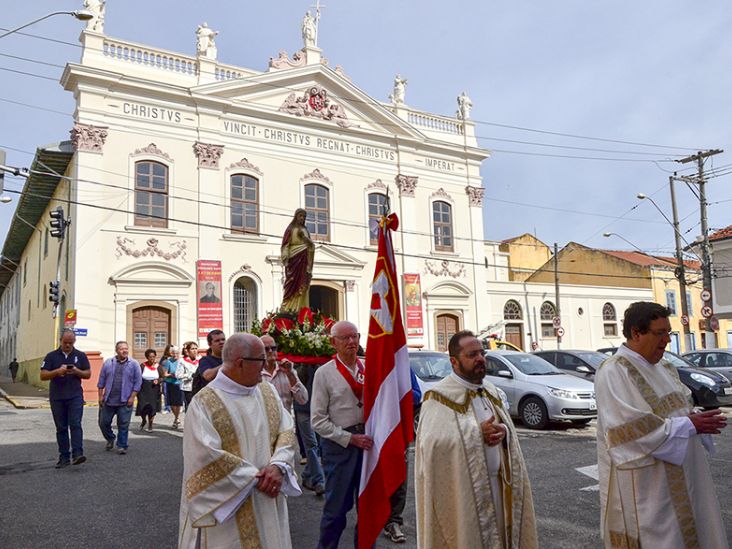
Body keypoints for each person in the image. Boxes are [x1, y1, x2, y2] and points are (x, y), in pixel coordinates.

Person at [595, 302, 729, 549]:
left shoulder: (666, 367)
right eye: (660, 333)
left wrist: (697, 418)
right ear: (636, 332)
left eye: (668, 332)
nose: (667, 340)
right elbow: (626, 431)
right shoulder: (614, 371)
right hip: (650, 489)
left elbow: (680, 407)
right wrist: (688, 425)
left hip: (687, 475)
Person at [415, 330, 537, 549]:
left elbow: (506, 427)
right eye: (472, 355)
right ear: (454, 361)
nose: (480, 359)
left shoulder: (490, 390)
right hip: (465, 494)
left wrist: (504, 431)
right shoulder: (437, 397)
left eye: (482, 353)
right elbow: (431, 446)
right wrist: (474, 432)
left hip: (500, 488)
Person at [178, 333, 301, 548]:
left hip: (268, 498)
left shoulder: (267, 391)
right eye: (261, 360)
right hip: (229, 506)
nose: (265, 367)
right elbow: (204, 456)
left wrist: (278, 465)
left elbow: (287, 430)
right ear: (240, 363)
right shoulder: (205, 403)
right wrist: (256, 478)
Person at [311, 321, 373, 549]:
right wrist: (349, 439)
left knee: (368, 508)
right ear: (333, 342)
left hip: (367, 442)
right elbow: (317, 420)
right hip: (339, 446)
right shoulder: (324, 374)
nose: (351, 342)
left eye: (355, 337)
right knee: (336, 509)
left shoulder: (368, 367)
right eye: (345, 338)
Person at [40, 329, 91, 468]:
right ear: (60, 341)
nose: (68, 345)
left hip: (75, 396)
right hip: (57, 397)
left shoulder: (80, 356)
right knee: (61, 427)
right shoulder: (51, 356)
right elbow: (43, 375)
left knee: (75, 424)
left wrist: (76, 371)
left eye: (71, 342)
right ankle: (64, 457)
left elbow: (88, 374)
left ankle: (77, 454)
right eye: (65, 342)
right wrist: (57, 371)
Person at [383, 368, 422, 544]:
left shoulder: (404, 368)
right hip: (378, 430)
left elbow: (416, 396)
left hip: (400, 430)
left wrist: (399, 390)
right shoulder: (374, 365)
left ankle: (393, 520)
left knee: (400, 477)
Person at [98, 341, 142, 455]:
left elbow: (138, 382)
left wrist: (132, 397)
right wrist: (100, 396)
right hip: (109, 400)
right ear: (117, 351)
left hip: (125, 400)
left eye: (126, 348)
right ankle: (110, 438)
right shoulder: (108, 363)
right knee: (103, 422)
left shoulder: (134, 364)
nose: (125, 350)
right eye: (122, 349)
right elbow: (101, 380)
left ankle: (122, 445)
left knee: (123, 424)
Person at [261, 335, 308, 413]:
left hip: (286, 423)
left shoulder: (287, 370)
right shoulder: (254, 373)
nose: (270, 351)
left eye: (273, 348)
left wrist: (290, 375)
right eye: (266, 349)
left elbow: (303, 399)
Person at [280, 208, 315, 312]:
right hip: (293, 260)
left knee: (302, 283)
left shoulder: (305, 230)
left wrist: (305, 239)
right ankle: (288, 307)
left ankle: (301, 308)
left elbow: (311, 246)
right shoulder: (290, 229)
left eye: (304, 217)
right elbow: (285, 245)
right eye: (300, 216)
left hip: (304, 259)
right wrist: (285, 257)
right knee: (291, 284)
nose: (302, 218)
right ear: (296, 217)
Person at [136, 348, 162, 432]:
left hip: (154, 389)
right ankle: (144, 419)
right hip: (143, 388)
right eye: (150, 357)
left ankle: (150, 424)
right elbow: (138, 377)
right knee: (142, 406)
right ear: (147, 357)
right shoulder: (142, 366)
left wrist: (158, 381)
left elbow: (162, 377)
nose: (152, 359)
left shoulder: (158, 366)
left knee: (152, 407)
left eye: (153, 357)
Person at [193, 329, 225, 394]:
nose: (221, 342)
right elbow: (208, 376)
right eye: (217, 341)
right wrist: (227, 365)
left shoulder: (232, 359)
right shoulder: (205, 360)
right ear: (210, 344)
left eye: (223, 339)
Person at [162, 345, 184, 429]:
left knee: (178, 403)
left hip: (179, 383)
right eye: (174, 353)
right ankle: (176, 418)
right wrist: (171, 375)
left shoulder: (181, 361)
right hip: (170, 383)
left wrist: (180, 375)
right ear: (171, 353)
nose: (175, 355)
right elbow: (165, 374)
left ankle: (176, 418)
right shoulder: (168, 362)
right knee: (172, 403)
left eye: (177, 353)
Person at [178, 341, 199, 411]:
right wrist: (190, 375)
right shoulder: (182, 361)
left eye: (196, 348)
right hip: (188, 388)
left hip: (199, 387)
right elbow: (178, 375)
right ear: (188, 351)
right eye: (192, 349)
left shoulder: (200, 359)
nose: (194, 351)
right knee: (190, 408)